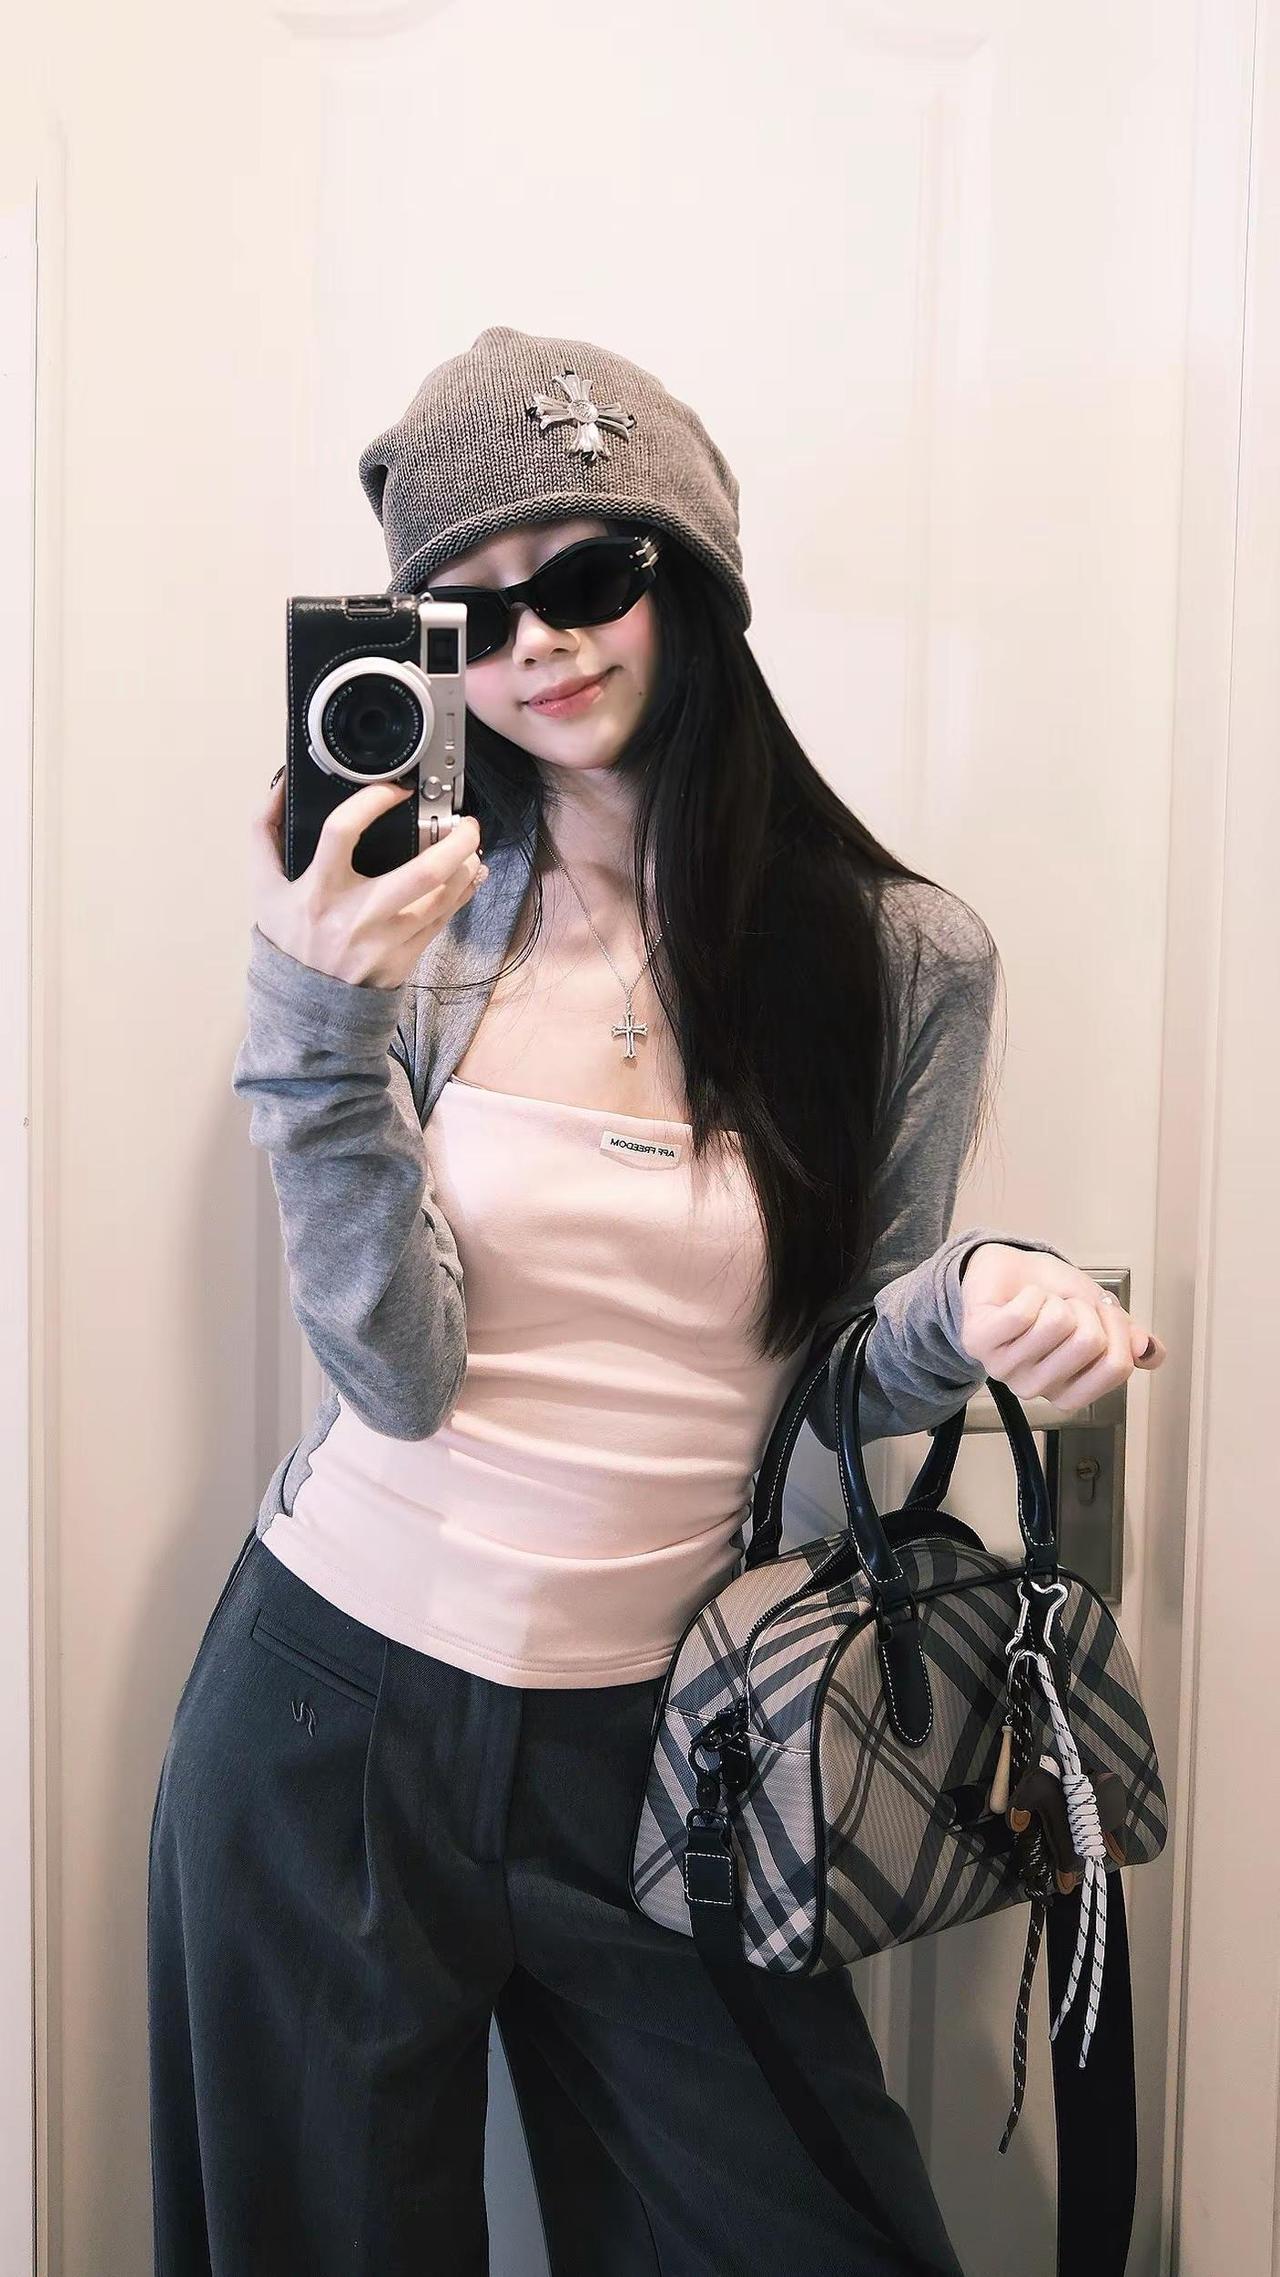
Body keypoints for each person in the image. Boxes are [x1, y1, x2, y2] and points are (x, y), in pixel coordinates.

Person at [146, 326, 1166, 2276]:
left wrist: (974, 1300)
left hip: (681, 1743)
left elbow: (836, 1382)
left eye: (588, 573)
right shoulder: (416, 926)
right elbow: (397, 1377)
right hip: (333, 1710)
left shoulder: (901, 957)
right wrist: (314, 1014)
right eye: (473, 609)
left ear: (687, 575)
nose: (539, 641)